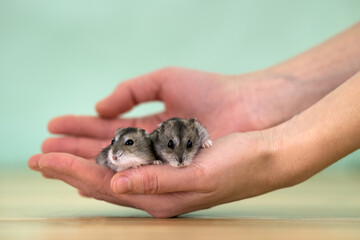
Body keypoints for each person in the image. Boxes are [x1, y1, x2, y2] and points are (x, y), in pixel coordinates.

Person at [28, 22, 360, 218]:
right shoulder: (154, 144)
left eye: (186, 146)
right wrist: (255, 95)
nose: (182, 157)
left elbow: (197, 133)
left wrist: (272, 151)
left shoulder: (192, 133)